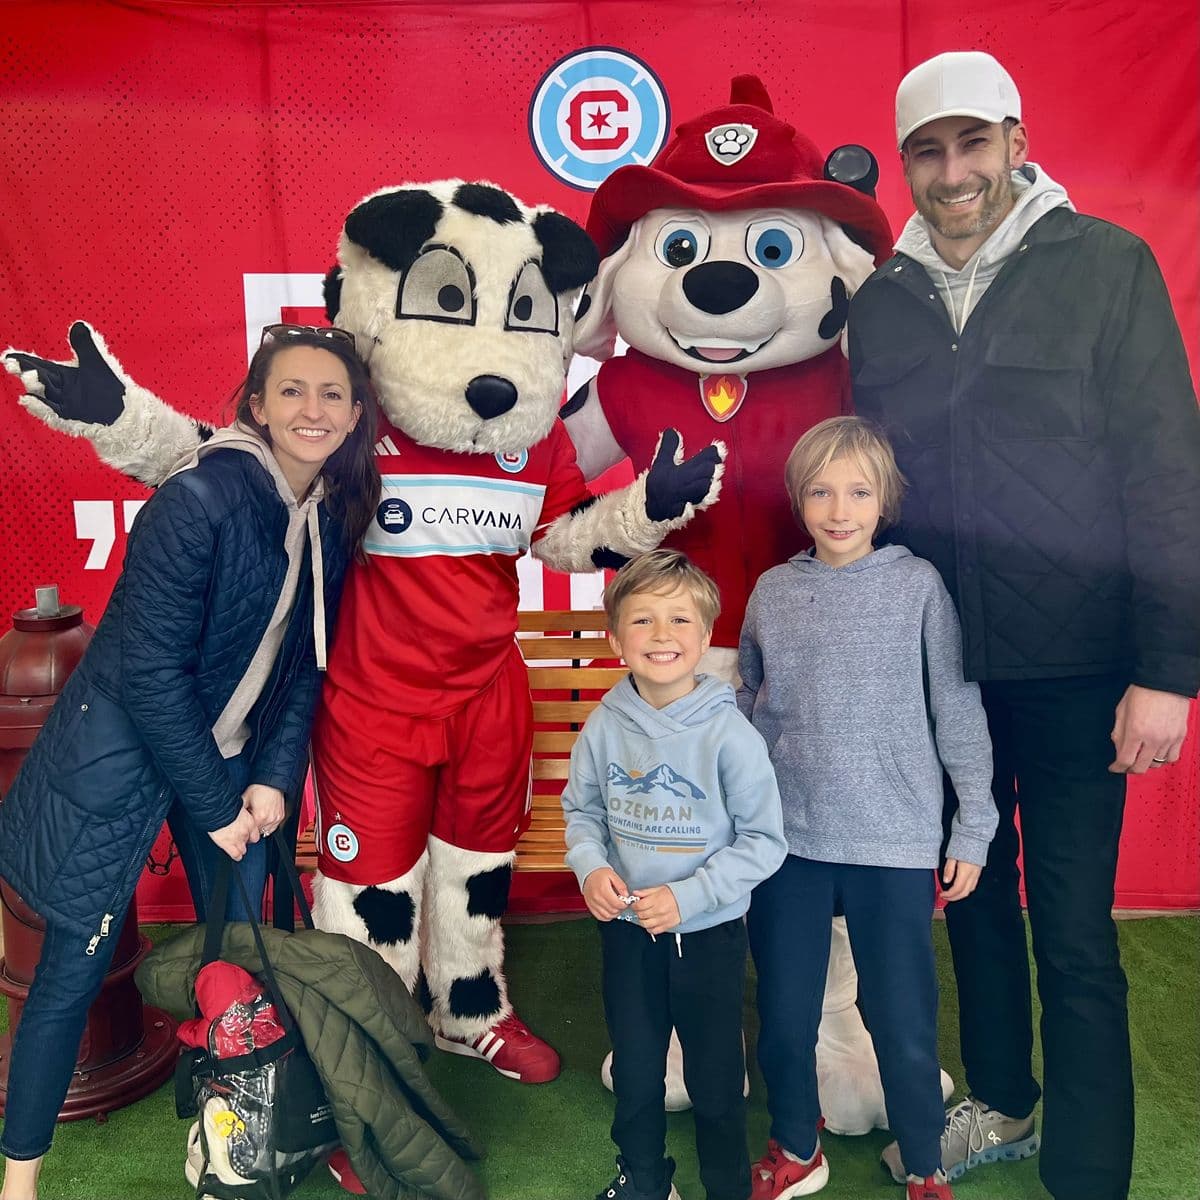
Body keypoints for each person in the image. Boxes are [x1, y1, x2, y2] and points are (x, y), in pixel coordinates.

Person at [848, 51, 1200, 1200]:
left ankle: (1092, 1167)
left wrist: (1168, 670)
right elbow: (866, 485)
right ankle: (999, 1101)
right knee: (974, 900)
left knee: (1077, 931)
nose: (954, 174)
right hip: (941, 670)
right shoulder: (883, 299)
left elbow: (1167, 477)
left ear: (1015, 138)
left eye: (973, 145)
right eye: (929, 152)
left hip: (1082, 669)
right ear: (905, 162)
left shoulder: (1106, 266)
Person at [0, 323, 378, 1200]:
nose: (311, 409)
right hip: (123, 761)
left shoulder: (329, 518)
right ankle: (20, 1182)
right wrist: (219, 803)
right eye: (292, 390)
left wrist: (275, 779)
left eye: (331, 394)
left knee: (241, 957)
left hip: (230, 770)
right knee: (71, 970)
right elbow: (150, 675)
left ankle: (244, 1135)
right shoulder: (197, 498)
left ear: (356, 414)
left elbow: (302, 668)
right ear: (256, 404)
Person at [739, 416, 996, 1200]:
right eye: (820, 490)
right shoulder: (775, 590)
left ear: (884, 501)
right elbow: (750, 701)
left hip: (895, 839)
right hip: (790, 843)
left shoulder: (917, 586)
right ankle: (794, 1143)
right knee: (784, 1014)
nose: (839, 508)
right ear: (798, 499)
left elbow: (955, 707)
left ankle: (924, 1162)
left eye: (857, 491)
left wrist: (973, 827)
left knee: (905, 1018)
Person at [561, 549, 787, 1200]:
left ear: (706, 634)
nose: (662, 636)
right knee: (635, 1073)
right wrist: (591, 867)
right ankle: (644, 1180)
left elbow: (764, 842)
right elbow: (581, 811)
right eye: (643, 621)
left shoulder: (730, 736)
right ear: (614, 639)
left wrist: (689, 898)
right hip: (627, 937)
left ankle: (726, 1188)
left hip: (708, 941)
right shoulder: (605, 725)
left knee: (717, 1084)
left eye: (679, 619)